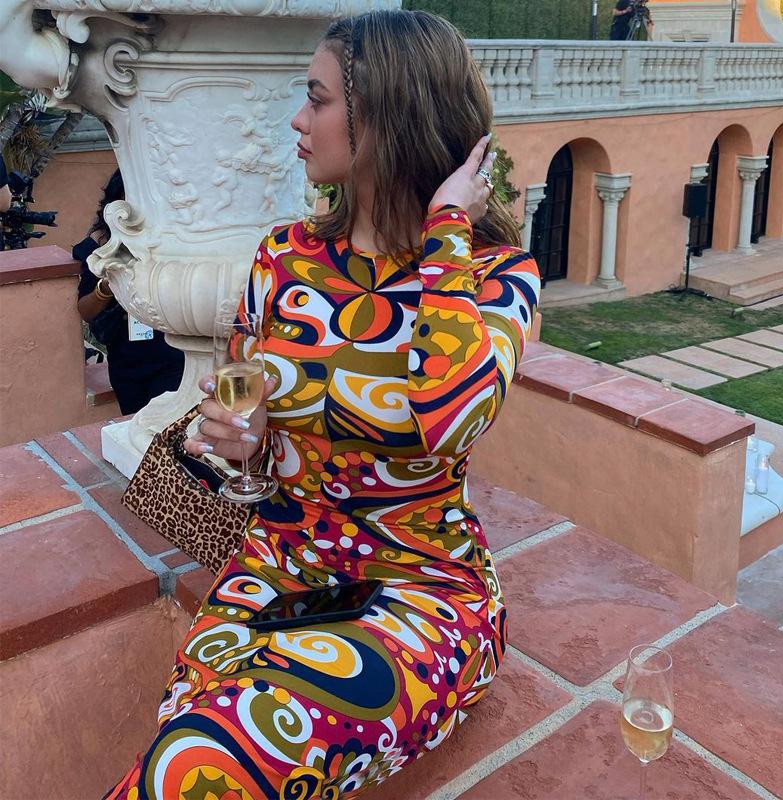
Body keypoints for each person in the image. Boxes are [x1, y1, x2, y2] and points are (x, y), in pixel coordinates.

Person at [105, 9, 540, 799]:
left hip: (419, 594)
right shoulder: (281, 258)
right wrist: (238, 442)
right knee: (187, 736)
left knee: (199, 763)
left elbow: (450, 420)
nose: (298, 122)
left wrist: (446, 231)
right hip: (277, 568)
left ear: (388, 115)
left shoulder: (494, 277)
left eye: (317, 98)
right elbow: (243, 430)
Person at [75, 169, 184, 415]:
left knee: (168, 425)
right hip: (126, 358)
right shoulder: (98, 247)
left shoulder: (169, 241)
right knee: (135, 425)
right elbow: (86, 311)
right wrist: (107, 286)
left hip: (171, 352)